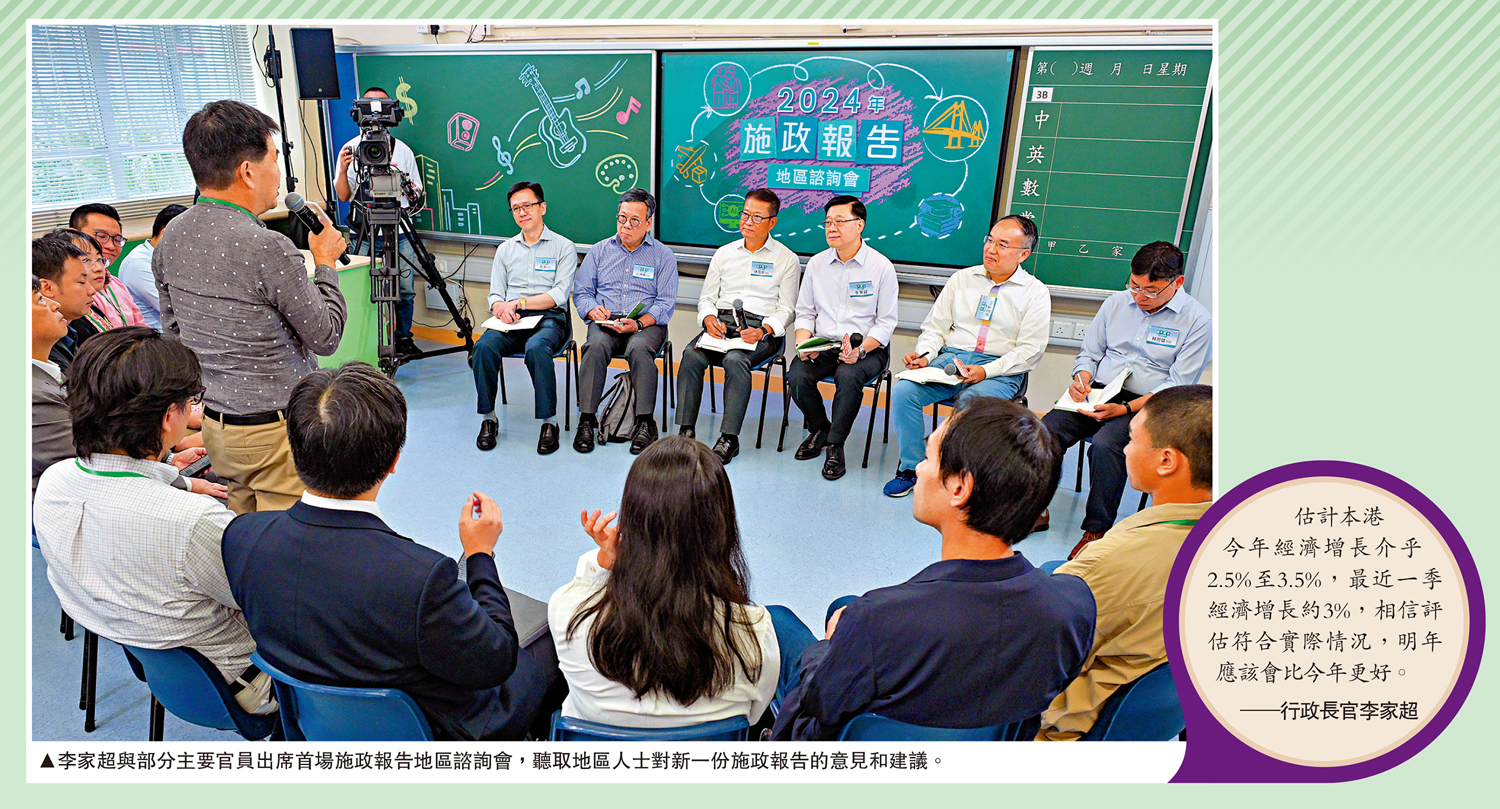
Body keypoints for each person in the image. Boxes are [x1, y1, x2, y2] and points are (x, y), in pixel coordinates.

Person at [221, 363, 557, 741]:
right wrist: (480, 555)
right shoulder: (421, 578)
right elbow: (496, 661)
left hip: (308, 725)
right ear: (394, 460)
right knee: (551, 641)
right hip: (422, 731)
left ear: (294, 450)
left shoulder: (241, 537)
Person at [770, 397, 1095, 740]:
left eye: (927, 458)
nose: (919, 470)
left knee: (777, 621)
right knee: (845, 607)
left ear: (959, 488)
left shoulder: (877, 618)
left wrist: (827, 647)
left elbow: (819, 701)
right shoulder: (1074, 605)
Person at [32, 327, 275, 715]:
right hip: (242, 683)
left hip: (155, 667)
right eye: (191, 402)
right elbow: (264, 605)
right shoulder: (194, 520)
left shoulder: (54, 482)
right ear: (168, 418)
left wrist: (166, 464)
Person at [154, 99, 348, 514]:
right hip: (276, 432)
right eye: (274, 158)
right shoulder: (267, 246)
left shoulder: (171, 237)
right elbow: (326, 336)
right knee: (285, 541)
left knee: (242, 528)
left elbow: (174, 333)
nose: (278, 172)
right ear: (247, 171)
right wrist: (326, 262)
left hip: (217, 427)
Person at [550, 436, 779, 728]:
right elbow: (753, 716)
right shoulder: (754, 632)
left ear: (633, 518)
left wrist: (607, 562)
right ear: (720, 527)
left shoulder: (568, 611)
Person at [1038, 384, 1213, 741]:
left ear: (1166, 461)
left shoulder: (1105, 564)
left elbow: (1027, 664)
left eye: (1131, 439)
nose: (1126, 448)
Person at [1041, 241, 1212, 555]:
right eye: (1134, 286)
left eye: (1151, 291)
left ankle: (1096, 531)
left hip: (1152, 403)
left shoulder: (1198, 321)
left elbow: (1178, 384)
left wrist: (1124, 409)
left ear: (1177, 282)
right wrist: (1082, 379)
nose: (1139, 296)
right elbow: (1090, 354)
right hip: (1100, 390)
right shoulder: (1115, 303)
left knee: (1106, 445)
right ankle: (1035, 509)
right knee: (1044, 431)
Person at [884, 214, 1051, 497]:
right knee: (904, 392)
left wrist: (986, 371)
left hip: (1000, 368)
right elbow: (935, 327)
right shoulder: (962, 279)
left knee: (971, 403)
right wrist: (925, 355)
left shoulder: (1035, 293)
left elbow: (1029, 350)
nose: (991, 249)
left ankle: (955, 475)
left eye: (1002, 245)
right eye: (990, 240)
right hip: (952, 358)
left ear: (1023, 254)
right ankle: (912, 468)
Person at [29, 277, 224, 499]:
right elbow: (91, 463)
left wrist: (168, 458)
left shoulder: (52, 363)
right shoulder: (32, 394)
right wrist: (180, 478)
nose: (54, 304)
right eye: (40, 300)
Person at [674, 188, 800, 464]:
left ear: (772, 222)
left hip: (761, 329)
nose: (747, 221)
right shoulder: (724, 253)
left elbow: (787, 310)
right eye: (745, 214)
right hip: (722, 324)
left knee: (735, 360)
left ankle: (729, 438)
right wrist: (708, 319)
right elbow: (707, 298)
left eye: (757, 217)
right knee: (691, 355)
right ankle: (685, 432)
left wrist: (763, 330)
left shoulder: (786, 259)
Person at [786, 195, 897, 480]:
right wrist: (802, 344)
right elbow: (805, 312)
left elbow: (886, 322)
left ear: (859, 225)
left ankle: (835, 445)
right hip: (824, 343)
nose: (831, 228)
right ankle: (820, 428)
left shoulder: (881, 266)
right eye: (828, 223)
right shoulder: (817, 264)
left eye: (839, 221)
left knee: (848, 377)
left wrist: (860, 351)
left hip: (867, 348)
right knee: (796, 376)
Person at [471, 181, 578, 455]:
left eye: (528, 206)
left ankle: (549, 423)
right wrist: (500, 308)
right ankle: (488, 419)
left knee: (537, 348)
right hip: (513, 320)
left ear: (542, 207)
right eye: (516, 208)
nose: (522, 212)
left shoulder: (564, 247)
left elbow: (558, 294)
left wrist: (519, 302)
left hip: (549, 319)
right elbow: (495, 294)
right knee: (483, 347)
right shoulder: (505, 250)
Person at [572, 188, 679, 455]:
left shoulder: (663, 255)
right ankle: (587, 419)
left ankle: (645, 422)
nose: (626, 226)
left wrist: (639, 324)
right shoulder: (599, 251)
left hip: (645, 324)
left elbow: (665, 302)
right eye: (622, 218)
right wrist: (593, 310)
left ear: (648, 223)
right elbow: (582, 292)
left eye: (634, 221)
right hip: (607, 320)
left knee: (639, 348)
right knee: (594, 346)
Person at [336, 86, 425, 358]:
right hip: (364, 230)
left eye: (382, 106)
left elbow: (417, 194)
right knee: (362, 288)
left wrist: (400, 182)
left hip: (398, 229)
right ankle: (365, 344)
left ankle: (403, 339)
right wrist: (343, 169)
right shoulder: (351, 149)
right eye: (370, 105)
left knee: (405, 289)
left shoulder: (403, 150)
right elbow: (343, 195)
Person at [50, 227, 146, 331]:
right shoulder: (73, 309)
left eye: (99, 259)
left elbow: (140, 322)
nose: (99, 268)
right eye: (86, 260)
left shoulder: (115, 283)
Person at [116, 203, 187, 330]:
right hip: (158, 335)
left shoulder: (166, 256)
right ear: (166, 234)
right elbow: (176, 310)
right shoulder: (138, 264)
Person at [32, 236, 99, 371]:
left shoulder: (69, 333)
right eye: (81, 282)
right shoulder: (43, 347)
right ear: (47, 287)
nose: (91, 291)